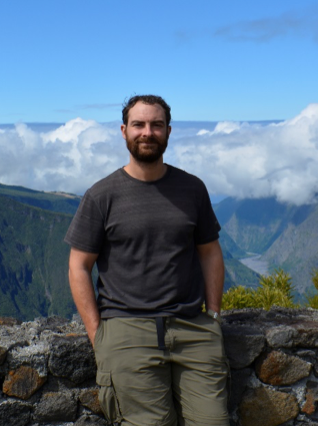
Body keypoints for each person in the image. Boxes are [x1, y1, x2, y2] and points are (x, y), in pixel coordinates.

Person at [65, 94, 229, 426]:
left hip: (192, 329)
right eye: (138, 124)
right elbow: (78, 266)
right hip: (127, 330)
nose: (147, 132)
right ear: (124, 131)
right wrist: (98, 336)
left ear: (168, 131)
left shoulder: (192, 189)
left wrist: (212, 315)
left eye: (156, 125)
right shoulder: (101, 196)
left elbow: (210, 252)